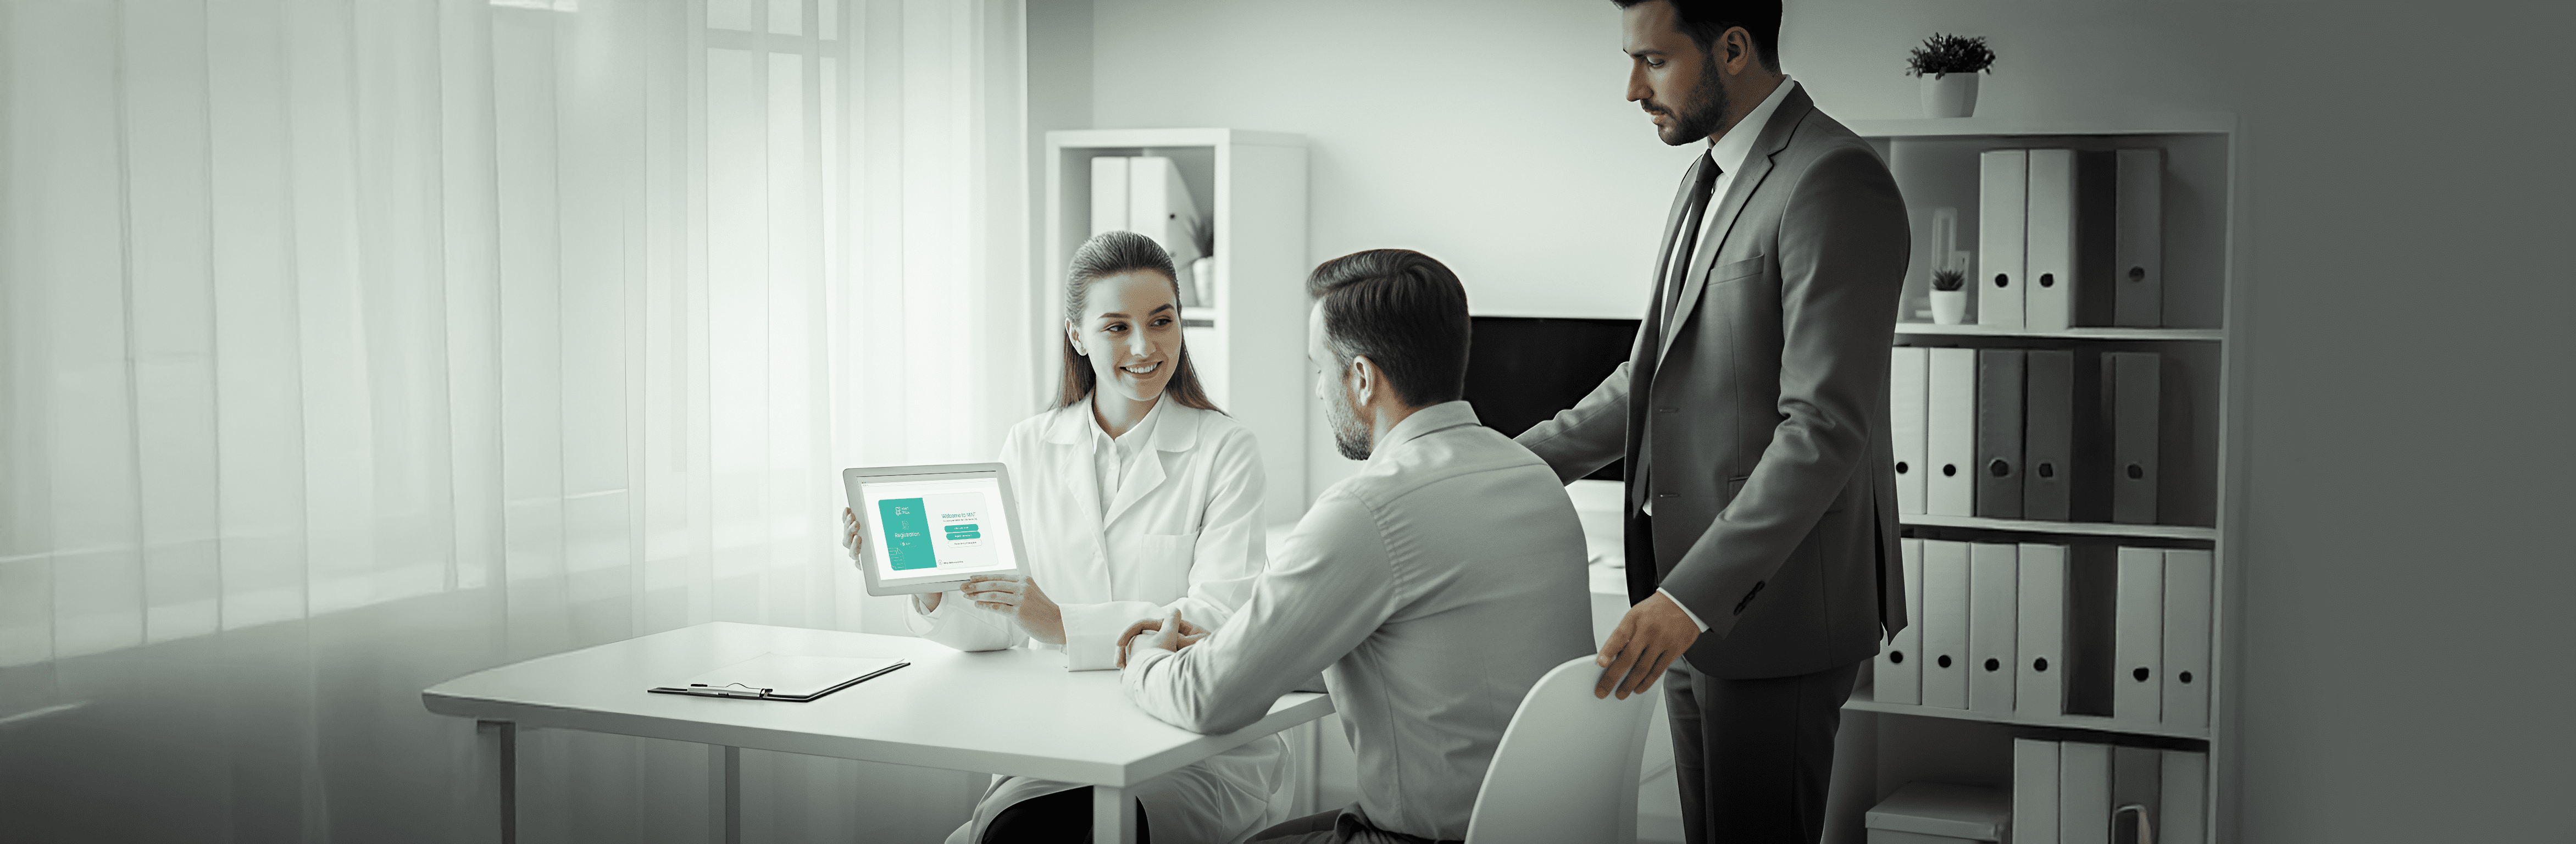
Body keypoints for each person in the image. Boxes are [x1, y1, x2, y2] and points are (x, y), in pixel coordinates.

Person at [1511, 2, 1912, 842]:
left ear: (1732, 49)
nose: (1631, 88)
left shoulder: (1834, 178)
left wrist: (1689, 599)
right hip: (1688, 599)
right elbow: (1649, 380)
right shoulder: (1708, 175)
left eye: (1653, 61)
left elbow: (1824, 427)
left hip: (1770, 608)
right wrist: (1497, 467)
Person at [1117, 249, 1595, 844]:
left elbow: (1204, 699)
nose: (1318, 390)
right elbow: (1436, 659)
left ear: (1362, 379)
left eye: (1319, 368)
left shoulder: (1366, 513)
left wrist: (1144, 659)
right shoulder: (1532, 477)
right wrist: (1240, 646)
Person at [840, 230, 1281, 844]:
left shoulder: (1225, 449)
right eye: (1116, 327)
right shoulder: (1029, 444)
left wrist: (1059, 624)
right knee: (1011, 832)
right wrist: (932, 587)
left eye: (1161, 321)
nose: (1144, 346)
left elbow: (1213, 621)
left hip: (1187, 749)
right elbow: (997, 627)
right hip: (1057, 739)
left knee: (1042, 834)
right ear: (1076, 335)